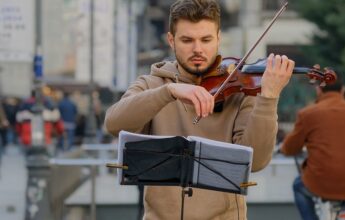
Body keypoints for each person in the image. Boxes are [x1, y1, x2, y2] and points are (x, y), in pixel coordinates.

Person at [104, 0, 294, 219]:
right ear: (171, 40)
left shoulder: (241, 91)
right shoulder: (151, 84)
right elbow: (113, 124)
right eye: (187, 40)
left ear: (218, 39)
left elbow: (258, 161)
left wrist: (269, 98)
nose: (198, 49)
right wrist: (169, 91)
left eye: (206, 40)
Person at [280, 72, 345, 220]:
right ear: (343, 90)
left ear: (318, 90)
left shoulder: (308, 114)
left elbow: (290, 148)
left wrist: (284, 148)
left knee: (298, 186)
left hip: (319, 183)